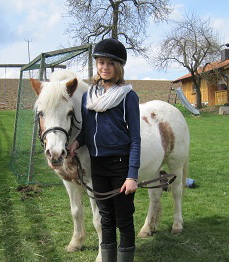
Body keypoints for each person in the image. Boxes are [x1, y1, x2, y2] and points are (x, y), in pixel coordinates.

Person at [68, 38, 141, 262]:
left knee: (124, 219)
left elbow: (136, 138)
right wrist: (76, 143)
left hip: (120, 164)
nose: (105, 67)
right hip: (97, 164)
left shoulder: (128, 96)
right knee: (106, 218)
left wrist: (132, 175)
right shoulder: (89, 97)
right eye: (101, 62)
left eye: (110, 63)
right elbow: (86, 131)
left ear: (118, 67)